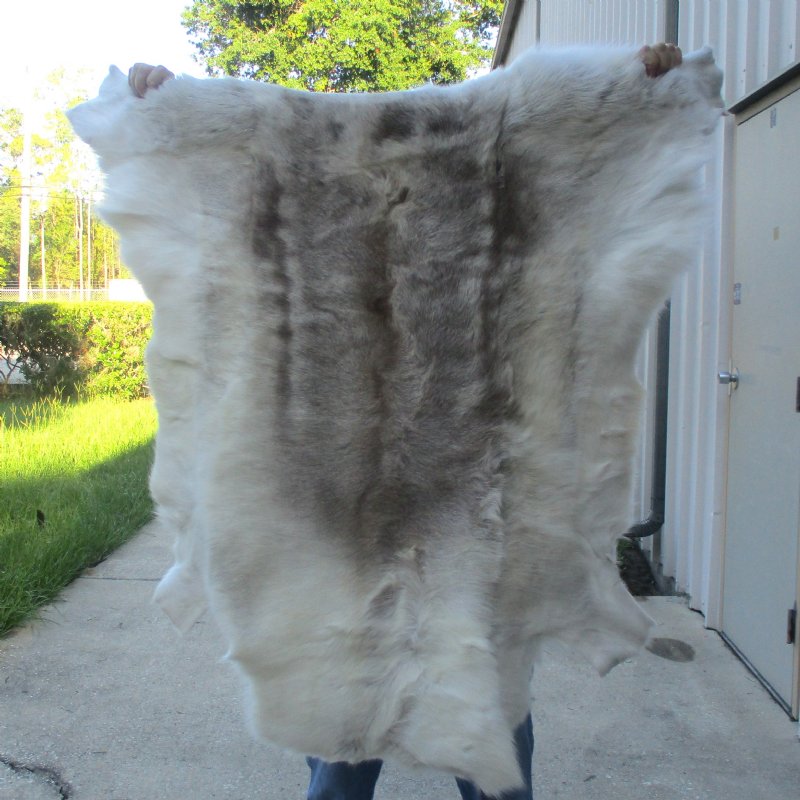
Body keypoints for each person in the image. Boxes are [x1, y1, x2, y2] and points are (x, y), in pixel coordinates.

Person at [127, 41, 682, 800]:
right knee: (344, 721)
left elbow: (569, 165)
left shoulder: (492, 192)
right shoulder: (302, 214)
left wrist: (631, 92)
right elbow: (225, 207)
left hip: (470, 500)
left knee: (485, 709)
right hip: (336, 506)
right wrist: (174, 108)